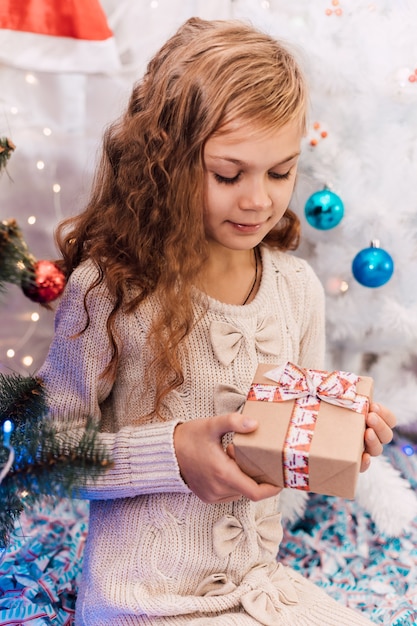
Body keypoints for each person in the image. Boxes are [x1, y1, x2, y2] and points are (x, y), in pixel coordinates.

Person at [38, 17, 396, 626]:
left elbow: (286, 447)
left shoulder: (297, 289)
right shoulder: (110, 290)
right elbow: (47, 453)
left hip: (260, 589)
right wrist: (172, 453)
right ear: (166, 165)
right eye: (228, 174)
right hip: (144, 603)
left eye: (280, 172)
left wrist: (337, 442)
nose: (258, 199)